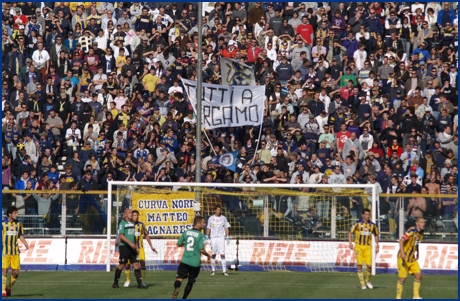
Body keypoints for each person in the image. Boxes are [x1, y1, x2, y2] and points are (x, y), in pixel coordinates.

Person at [172, 215, 211, 299]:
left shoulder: (186, 232)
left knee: (179, 279)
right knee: (190, 282)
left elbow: (178, 244)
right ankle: (184, 298)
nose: (204, 224)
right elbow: (201, 249)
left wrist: (185, 244)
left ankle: (177, 288)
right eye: (203, 222)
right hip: (195, 263)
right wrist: (208, 255)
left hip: (185, 261)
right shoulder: (200, 235)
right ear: (198, 223)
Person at [112, 208, 145, 289]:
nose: (131, 214)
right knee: (122, 264)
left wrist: (136, 245)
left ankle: (139, 284)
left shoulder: (133, 224)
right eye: (129, 212)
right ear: (125, 214)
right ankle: (115, 283)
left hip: (133, 247)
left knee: (136, 264)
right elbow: (121, 236)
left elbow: (134, 236)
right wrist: (126, 244)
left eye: (131, 212)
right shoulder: (122, 223)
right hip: (125, 247)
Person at [123, 210, 157, 288]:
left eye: (137, 215)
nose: (136, 216)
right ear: (132, 216)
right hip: (130, 248)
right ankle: (128, 280)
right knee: (127, 264)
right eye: (134, 215)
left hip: (140, 248)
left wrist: (151, 246)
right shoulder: (128, 225)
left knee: (142, 263)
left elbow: (146, 235)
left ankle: (142, 281)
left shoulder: (141, 225)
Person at [348, 208, 379, 290]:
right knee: (359, 266)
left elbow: (376, 235)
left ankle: (367, 281)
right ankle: (362, 284)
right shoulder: (357, 224)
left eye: (369, 214)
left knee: (369, 266)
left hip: (368, 247)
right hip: (359, 246)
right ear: (363, 215)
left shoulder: (372, 225)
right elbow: (350, 232)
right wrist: (350, 243)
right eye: (366, 214)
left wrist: (377, 245)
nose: (367, 216)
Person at [2, 206, 29, 297]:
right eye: (15, 213)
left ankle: (9, 287)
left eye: (17, 213)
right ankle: (2, 291)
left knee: (16, 272)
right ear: (10, 214)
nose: (17, 215)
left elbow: (20, 235)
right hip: (5, 251)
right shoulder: (2, 224)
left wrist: (25, 243)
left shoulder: (19, 224)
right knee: (4, 270)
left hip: (15, 252)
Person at [396, 217, 426, 299]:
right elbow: (401, 240)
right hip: (403, 258)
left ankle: (416, 296)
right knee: (403, 278)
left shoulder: (421, 233)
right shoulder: (411, 231)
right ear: (417, 223)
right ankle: (398, 297)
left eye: (424, 222)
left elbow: (416, 243)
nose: (423, 224)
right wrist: (402, 253)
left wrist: (417, 253)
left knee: (419, 275)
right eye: (421, 222)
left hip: (412, 258)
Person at [205, 205, 231, 276]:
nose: (219, 211)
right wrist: (206, 236)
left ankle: (224, 271)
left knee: (222, 254)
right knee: (213, 254)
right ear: (215, 210)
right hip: (213, 237)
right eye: (218, 210)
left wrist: (227, 236)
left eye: (220, 210)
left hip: (221, 237)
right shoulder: (211, 218)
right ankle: (213, 270)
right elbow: (208, 228)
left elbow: (226, 227)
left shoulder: (223, 218)